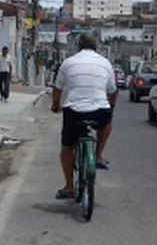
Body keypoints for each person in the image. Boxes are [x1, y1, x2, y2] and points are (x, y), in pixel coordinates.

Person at [50, 33, 117, 199]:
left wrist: (55, 105)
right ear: (96, 47)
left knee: (67, 147)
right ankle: (98, 155)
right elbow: (113, 90)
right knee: (107, 124)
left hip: (74, 111)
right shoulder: (105, 63)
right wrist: (110, 107)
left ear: (79, 46)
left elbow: (57, 88)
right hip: (99, 111)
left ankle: (69, 187)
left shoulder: (68, 62)